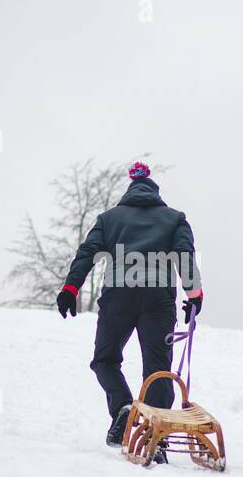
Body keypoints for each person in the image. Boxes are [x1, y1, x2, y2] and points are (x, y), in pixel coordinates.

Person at [56, 162, 203, 460]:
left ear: (129, 190)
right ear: (155, 192)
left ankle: (123, 408)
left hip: (118, 297)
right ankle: (155, 438)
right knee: (158, 370)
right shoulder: (175, 218)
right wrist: (194, 294)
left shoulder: (109, 218)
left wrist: (70, 288)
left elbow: (87, 253)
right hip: (158, 300)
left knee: (104, 360)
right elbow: (185, 256)